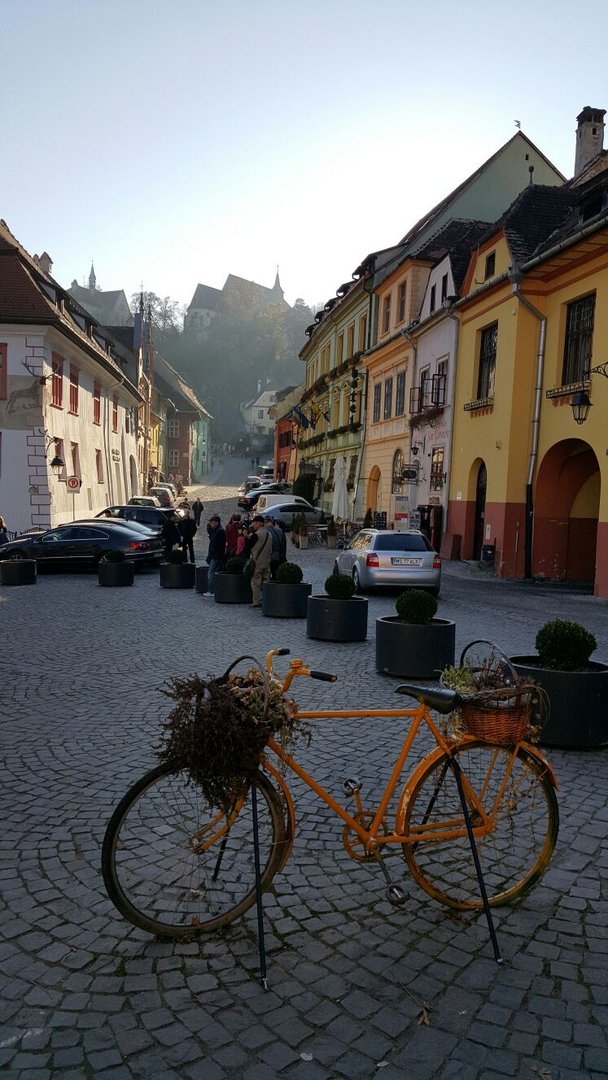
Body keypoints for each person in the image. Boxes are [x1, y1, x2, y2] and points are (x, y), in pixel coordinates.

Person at [249, 515, 272, 608]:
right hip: (267, 561)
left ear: (258, 523)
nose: (253, 525)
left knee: (255, 582)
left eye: (254, 523)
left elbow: (248, 547)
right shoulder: (269, 534)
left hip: (257, 561)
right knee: (266, 581)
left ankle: (256, 602)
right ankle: (267, 600)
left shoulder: (256, 535)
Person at [206, 514, 226, 595]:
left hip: (216, 556)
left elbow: (217, 545)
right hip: (215, 555)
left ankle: (212, 590)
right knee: (214, 572)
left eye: (212, 522)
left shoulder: (220, 531)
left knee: (211, 573)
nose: (210, 523)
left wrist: (214, 554)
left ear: (216, 522)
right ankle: (214, 590)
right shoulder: (216, 530)